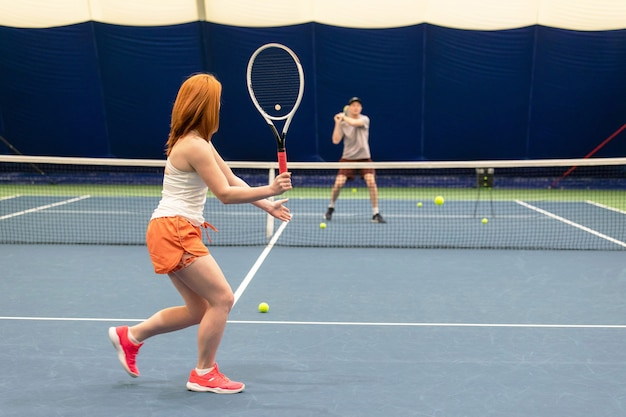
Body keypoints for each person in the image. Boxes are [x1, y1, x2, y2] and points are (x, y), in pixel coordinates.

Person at [108, 73, 292, 394]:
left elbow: (232, 178)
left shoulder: (201, 143)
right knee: (223, 298)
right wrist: (271, 186)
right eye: (218, 103)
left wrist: (269, 204)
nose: (220, 109)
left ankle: (131, 336)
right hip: (175, 229)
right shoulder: (194, 146)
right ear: (205, 107)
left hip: (171, 228)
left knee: (199, 310)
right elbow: (224, 193)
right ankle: (203, 372)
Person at [324, 97, 386, 223]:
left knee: (371, 182)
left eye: (358, 105)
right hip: (348, 159)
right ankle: (331, 207)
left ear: (361, 108)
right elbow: (335, 140)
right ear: (349, 108)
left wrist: (343, 117)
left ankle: (376, 213)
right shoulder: (343, 122)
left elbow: (354, 123)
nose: (356, 107)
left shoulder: (364, 119)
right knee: (338, 184)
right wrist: (338, 122)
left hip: (364, 159)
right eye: (353, 105)